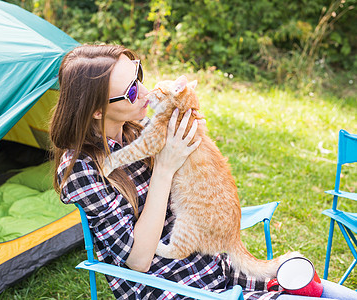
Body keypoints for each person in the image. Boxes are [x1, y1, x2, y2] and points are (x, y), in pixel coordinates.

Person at [49, 44, 357, 300]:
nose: (144, 93)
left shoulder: (135, 129)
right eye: (130, 92)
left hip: (213, 265)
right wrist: (166, 167)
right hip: (173, 285)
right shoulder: (82, 169)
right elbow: (138, 260)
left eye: (139, 76)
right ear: (97, 110)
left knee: (330, 292)